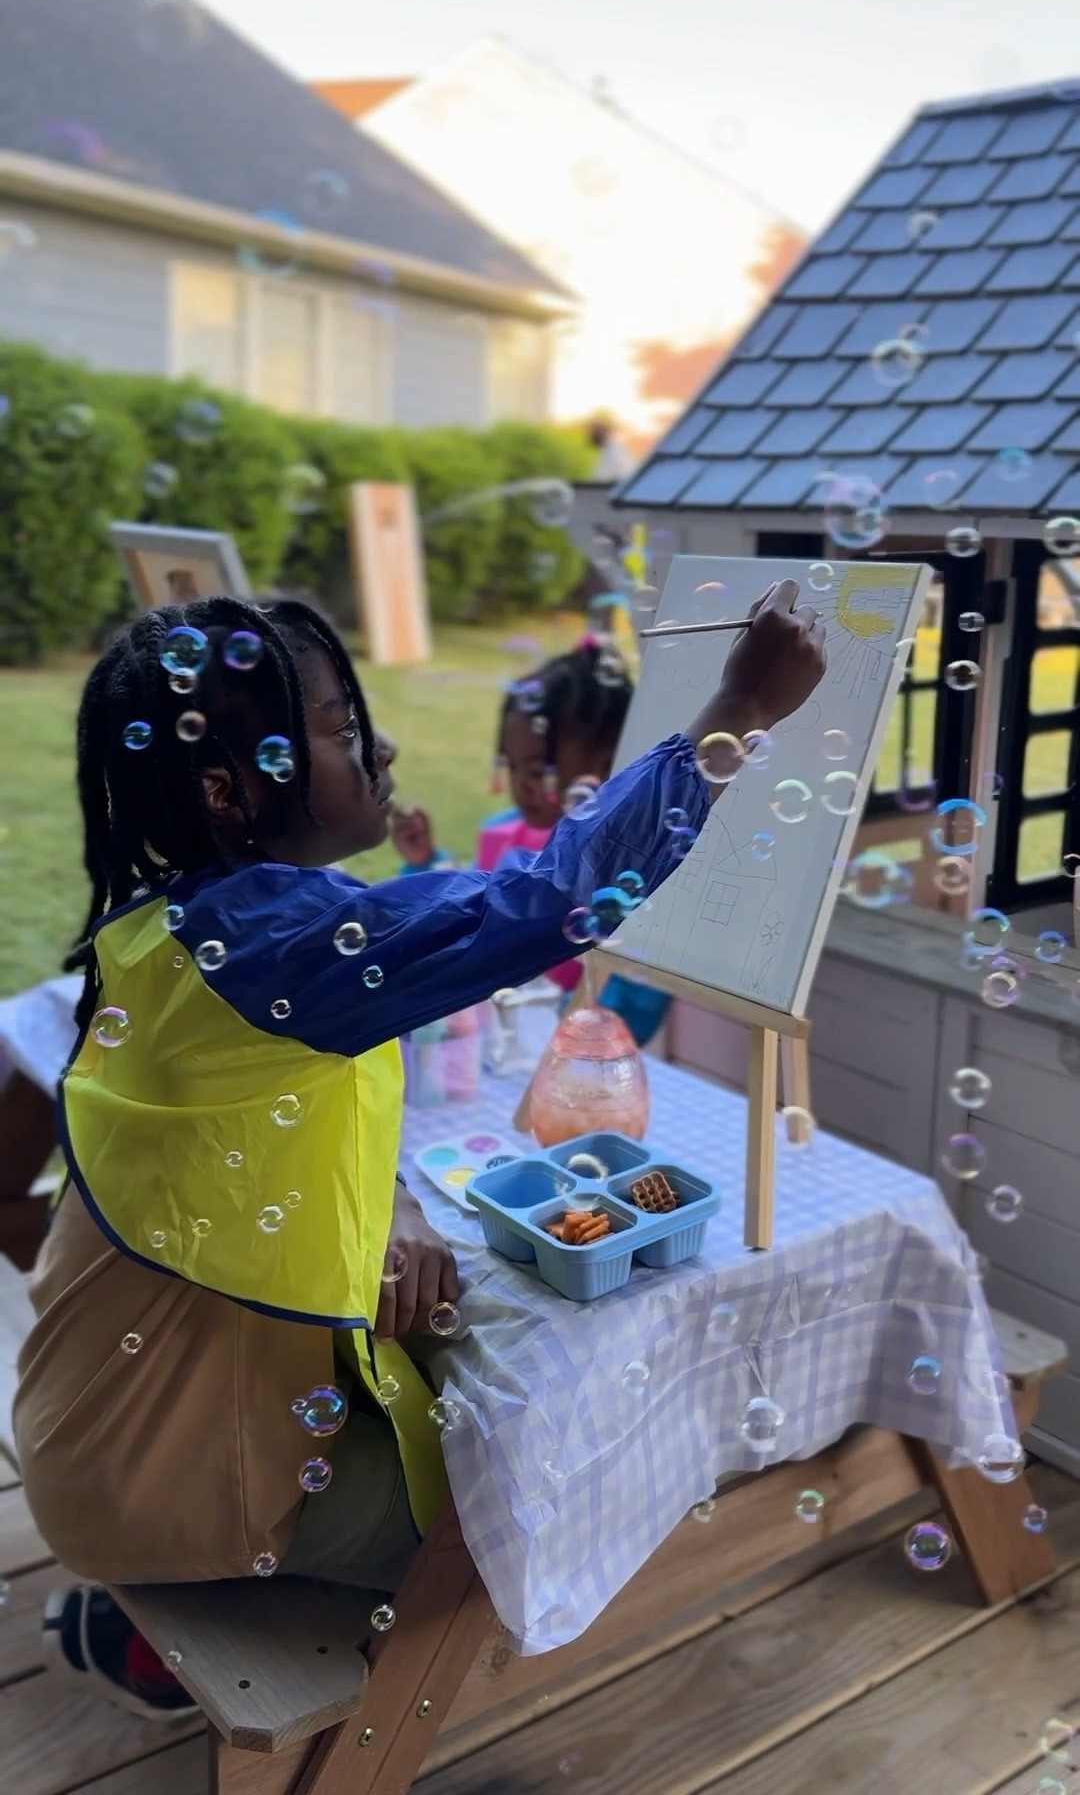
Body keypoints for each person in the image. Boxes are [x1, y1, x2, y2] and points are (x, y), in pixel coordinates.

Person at [13, 583, 824, 1717]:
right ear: (227, 788)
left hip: (97, 1418)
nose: (382, 749)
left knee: (464, 1380)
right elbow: (544, 898)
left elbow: (268, 1127)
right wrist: (738, 710)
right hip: (163, 1466)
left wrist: (393, 1201)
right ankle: (173, 1626)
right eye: (343, 730)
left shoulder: (181, 927)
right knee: (527, 1510)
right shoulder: (275, 949)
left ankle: (162, 1599)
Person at [390, 635, 671, 1043]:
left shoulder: (636, 868)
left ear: (609, 761)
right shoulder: (506, 839)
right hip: (502, 1040)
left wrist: (542, 1016)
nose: (521, 785)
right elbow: (466, 921)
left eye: (538, 770)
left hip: (574, 1050)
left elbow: (634, 1011)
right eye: (513, 766)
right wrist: (425, 862)